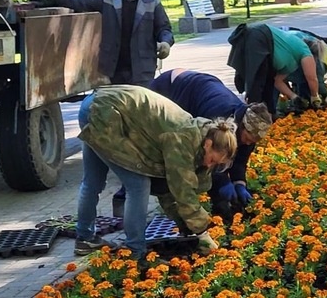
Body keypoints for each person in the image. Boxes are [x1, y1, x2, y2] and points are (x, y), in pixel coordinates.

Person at [74, 85, 237, 260]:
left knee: (93, 181)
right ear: (208, 144)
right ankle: (136, 252)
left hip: (97, 103)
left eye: (215, 164)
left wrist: (183, 223)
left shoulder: (200, 133)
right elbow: (182, 190)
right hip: (106, 112)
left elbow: (166, 190)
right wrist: (201, 231)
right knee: (138, 185)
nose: (209, 165)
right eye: (212, 159)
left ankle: (85, 238)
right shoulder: (183, 140)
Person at [111, 69, 273, 217]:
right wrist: (222, 184)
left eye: (253, 141)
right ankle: (123, 198)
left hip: (201, 86)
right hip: (172, 89)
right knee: (148, 153)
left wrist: (239, 183)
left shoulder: (249, 132)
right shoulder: (219, 120)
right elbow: (205, 157)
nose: (249, 143)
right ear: (242, 126)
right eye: (248, 138)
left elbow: (239, 160)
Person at [40, 0, 173, 86]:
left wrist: (165, 43)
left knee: (141, 100)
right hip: (114, 70)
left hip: (142, 70)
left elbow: (164, 29)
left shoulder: (151, 1)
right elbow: (82, 0)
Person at [227, 23, 322, 116]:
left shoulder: (291, 59)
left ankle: (268, 113)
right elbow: (311, 78)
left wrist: (294, 97)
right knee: (258, 79)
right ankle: (254, 115)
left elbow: (277, 81)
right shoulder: (305, 50)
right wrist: (315, 96)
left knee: (268, 80)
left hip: (261, 40)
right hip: (261, 36)